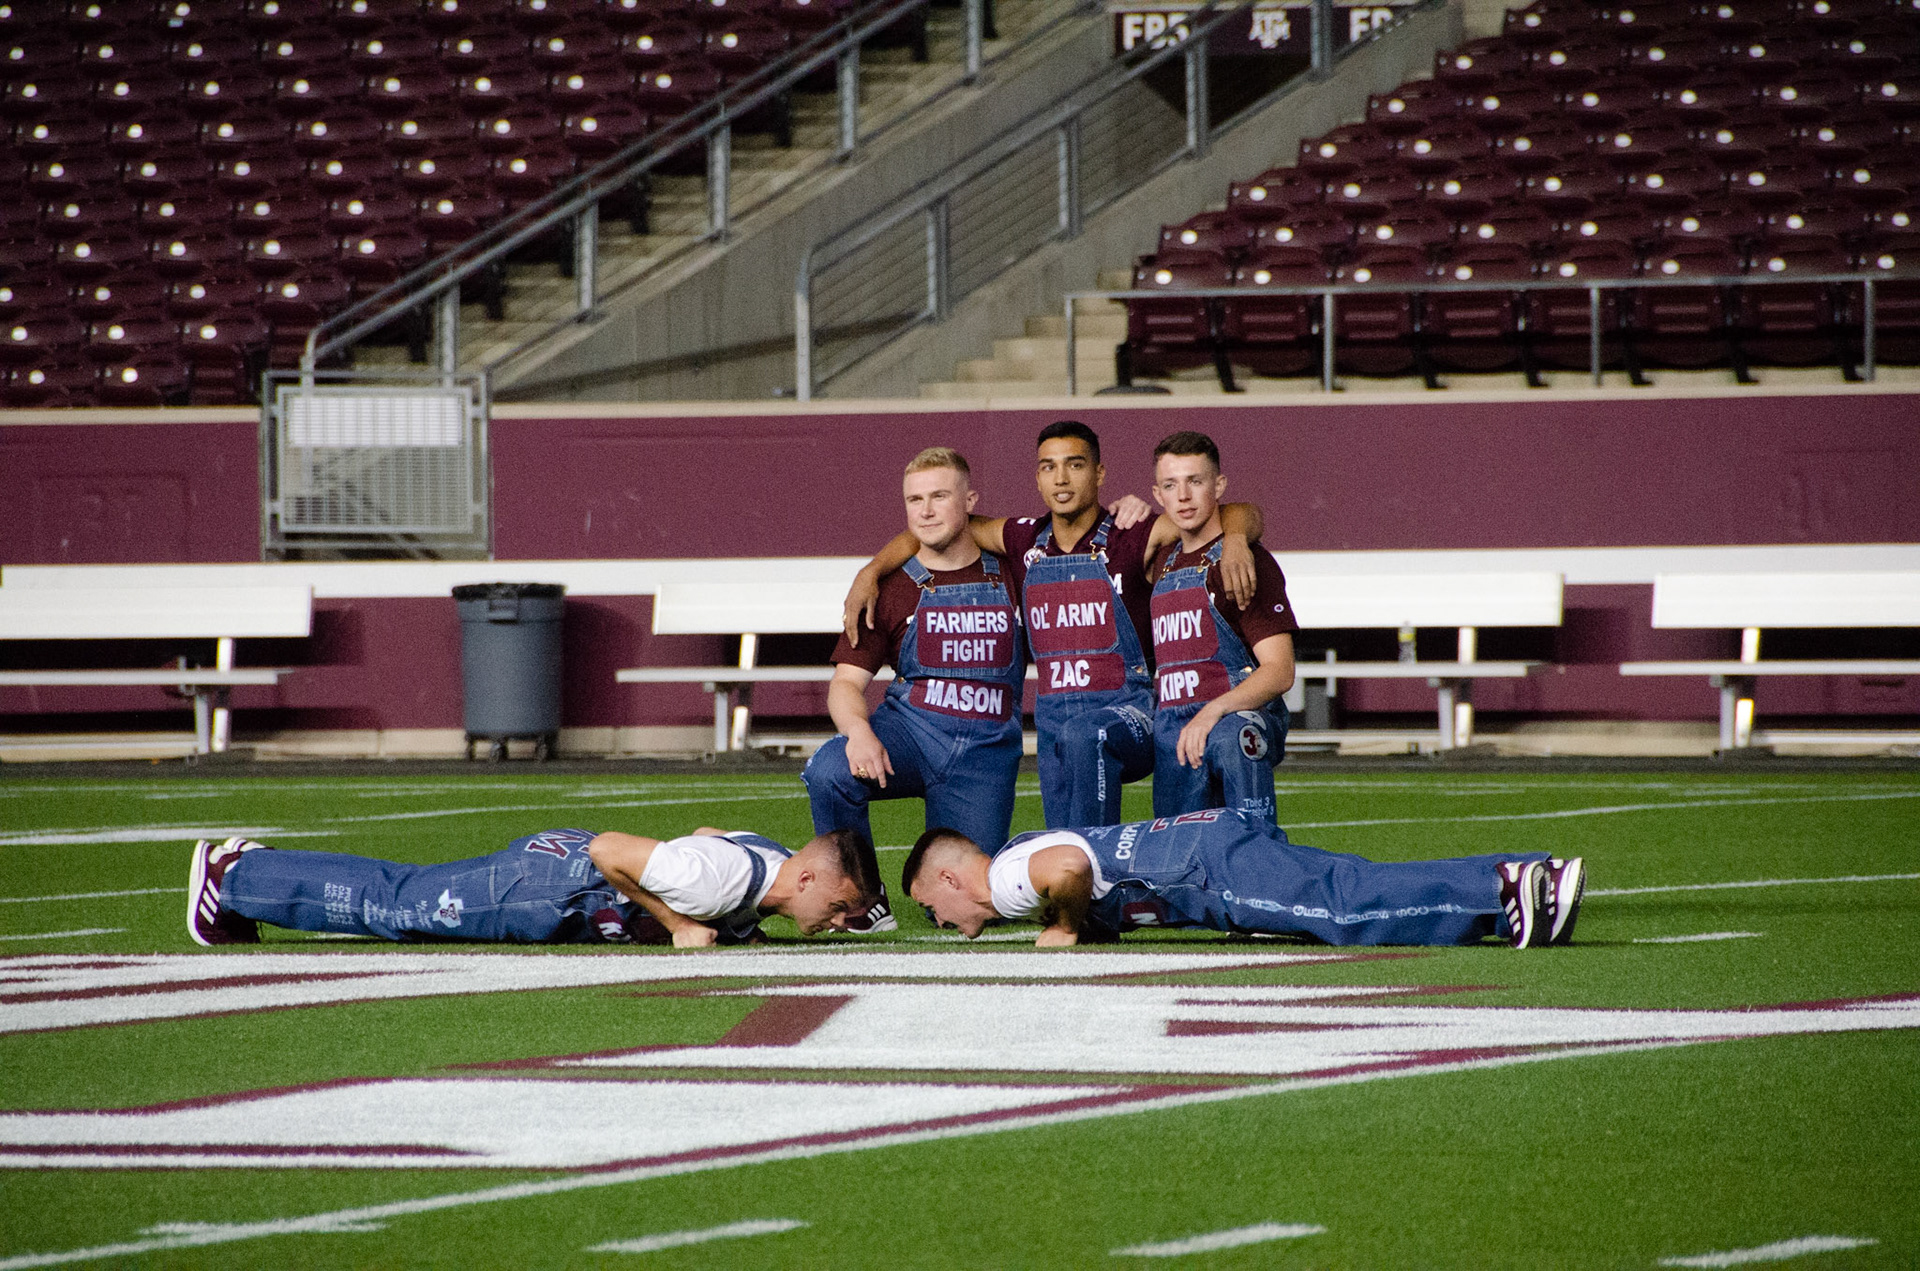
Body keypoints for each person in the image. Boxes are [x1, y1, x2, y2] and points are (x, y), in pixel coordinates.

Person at [841, 421, 1266, 829]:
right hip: (1053, 728)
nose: (1061, 479)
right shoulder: (1023, 539)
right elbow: (937, 525)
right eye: (1049, 467)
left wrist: (1234, 539)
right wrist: (872, 571)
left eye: (1075, 465)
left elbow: (1232, 511)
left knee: (1088, 747)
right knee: (1063, 844)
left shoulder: (1131, 533)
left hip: (1131, 716)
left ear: (1099, 474)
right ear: (1038, 478)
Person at [802, 447, 1027, 929]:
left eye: (939, 496)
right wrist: (858, 732)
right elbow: (845, 683)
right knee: (828, 771)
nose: (924, 510)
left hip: (984, 755)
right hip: (909, 735)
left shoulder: (1015, 570)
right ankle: (861, 899)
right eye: (914, 499)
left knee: (968, 910)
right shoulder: (888, 587)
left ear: (970, 501)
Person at [901, 810, 1586, 950]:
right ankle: (1524, 881)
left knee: (1344, 911)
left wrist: (1062, 926)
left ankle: (1500, 888)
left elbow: (1072, 870)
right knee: (1346, 882)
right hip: (1205, 845)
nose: (933, 917)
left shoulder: (1012, 876)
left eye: (928, 902)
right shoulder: (1019, 853)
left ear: (951, 877)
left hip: (1203, 868)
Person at [187, 822, 884, 949]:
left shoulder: (763, 860)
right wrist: (677, 924)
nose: (837, 919)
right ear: (809, 875)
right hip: (546, 884)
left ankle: (256, 873)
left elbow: (706, 830)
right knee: (398, 904)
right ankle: (236, 873)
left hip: (556, 873)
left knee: (403, 898)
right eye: (840, 906)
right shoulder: (716, 880)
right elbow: (613, 851)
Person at [1147, 430, 1296, 821]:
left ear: (1219, 486)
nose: (1183, 496)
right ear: (1157, 496)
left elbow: (1280, 671)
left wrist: (1213, 713)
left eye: (1195, 481)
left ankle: (1260, 862)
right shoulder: (1159, 559)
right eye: (1170, 485)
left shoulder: (1243, 563)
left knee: (1234, 737)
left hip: (1232, 718)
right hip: (1174, 731)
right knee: (1179, 862)